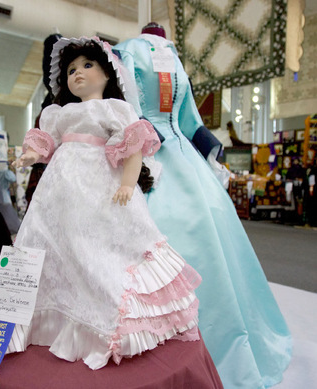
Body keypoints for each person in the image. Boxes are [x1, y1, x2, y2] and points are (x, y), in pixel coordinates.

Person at [0, 37, 203, 370]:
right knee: (49, 244)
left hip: (99, 189)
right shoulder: (60, 113)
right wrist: (30, 155)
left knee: (97, 251)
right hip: (58, 194)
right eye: (71, 70)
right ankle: (31, 317)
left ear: (108, 74)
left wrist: (128, 183)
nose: (78, 74)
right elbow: (47, 142)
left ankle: (100, 320)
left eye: (87, 65)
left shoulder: (114, 109)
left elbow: (132, 147)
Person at [114, 27, 291, 388]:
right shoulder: (159, 54)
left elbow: (129, 109)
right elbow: (189, 119)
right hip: (176, 157)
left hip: (154, 155)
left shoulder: (134, 51)